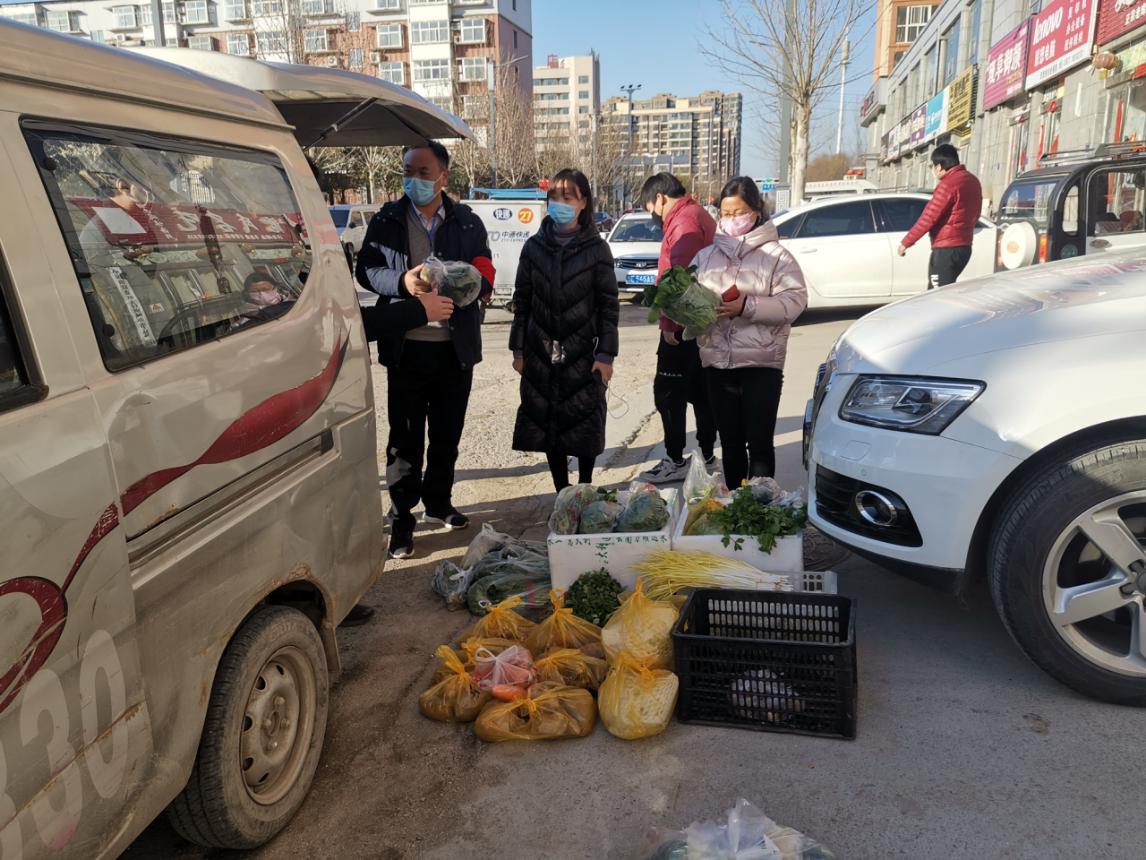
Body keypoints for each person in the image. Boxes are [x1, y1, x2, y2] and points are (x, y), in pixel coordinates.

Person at [356, 141, 495, 560]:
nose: (413, 179)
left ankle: (438, 502)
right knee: (405, 440)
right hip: (408, 349)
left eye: (422, 171)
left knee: (447, 435)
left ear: (443, 176)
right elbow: (367, 270)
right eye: (408, 171)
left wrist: (471, 282)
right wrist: (403, 283)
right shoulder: (387, 219)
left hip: (455, 349)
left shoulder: (467, 222)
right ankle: (402, 520)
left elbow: (484, 269)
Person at [509, 168, 620, 491]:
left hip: (584, 351)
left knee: (584, 421)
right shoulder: (533, 247)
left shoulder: (597, 249)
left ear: (583, 202)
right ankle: (561, 493)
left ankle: (583, 490)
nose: (559, 202)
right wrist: (518, 349)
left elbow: (608, 306)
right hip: (540, 351)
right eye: (554, 196)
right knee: (549, 424)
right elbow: (522, 301)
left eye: (567, 196)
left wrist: (606, 354)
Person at [693, 177, 807, 489]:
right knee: (730, 444)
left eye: (738, 212)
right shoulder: (705, 258)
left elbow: (794, 302)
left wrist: (747, 306)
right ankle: (736, 509)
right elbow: (688, 299)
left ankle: (760, 510)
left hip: (761, 365)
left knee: (758, 444)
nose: (731, 220)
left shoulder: (777, 257)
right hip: (717, 364)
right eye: (725, 213)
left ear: (756, 211)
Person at [636, 173, 718, 484]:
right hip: (699, 325)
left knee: (668, 393)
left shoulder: (683, 222)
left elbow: (680, 278)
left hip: (685, 326)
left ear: (660, 198)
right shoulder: (694, 215)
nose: (653, 216)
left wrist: (668, 323)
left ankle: (674, 458)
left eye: (651, 208)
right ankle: (707, 454)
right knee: (700, 391)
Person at [897, 143, 983, 289]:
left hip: (946, 250)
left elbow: (929, 217)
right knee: (946, 293)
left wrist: (906, 242)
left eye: (932, 166)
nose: (932, 170)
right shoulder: (972, 181)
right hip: (965, 247)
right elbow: (977, 212)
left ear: (939, 167)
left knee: (936, 297)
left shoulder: (947, 185)